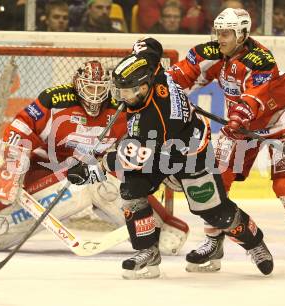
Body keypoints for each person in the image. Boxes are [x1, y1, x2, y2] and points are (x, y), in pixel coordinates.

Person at [66, 37, 273, 280]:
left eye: (126, 92)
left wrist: (91, 170)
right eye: (119, 91)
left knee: (214, 212)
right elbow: (151, 45)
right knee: (132, 190)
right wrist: (139, 51)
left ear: (143, 87)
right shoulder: (151, 68)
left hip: (188, 154)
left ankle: (255, 243)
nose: (121, 98)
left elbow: (127, 159)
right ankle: (147, 252)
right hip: (158, 148)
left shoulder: (153, 119)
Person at [0, 60, 189, 257]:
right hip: (46, 171)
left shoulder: (121, 108)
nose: (95, 95)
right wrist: (11, 169)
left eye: (100, 89)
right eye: (89, 88)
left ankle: (160, 228)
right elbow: (21, 127)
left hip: (92, 173)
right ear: (77, 85)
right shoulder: (55, 100)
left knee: (106, 186)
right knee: (79, 190)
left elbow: (139, 146)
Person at [168, 8, 285, 281]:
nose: (220, 38)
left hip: (281, 123)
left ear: (242, 34)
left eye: (226, 33)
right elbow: (179, 78)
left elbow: (256, 96)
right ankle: (214, 243)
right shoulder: (211, 54)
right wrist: (162, 93)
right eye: (218, 32)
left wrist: (239, 116)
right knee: (213, 181)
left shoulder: (261, 59)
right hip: (241, 125)